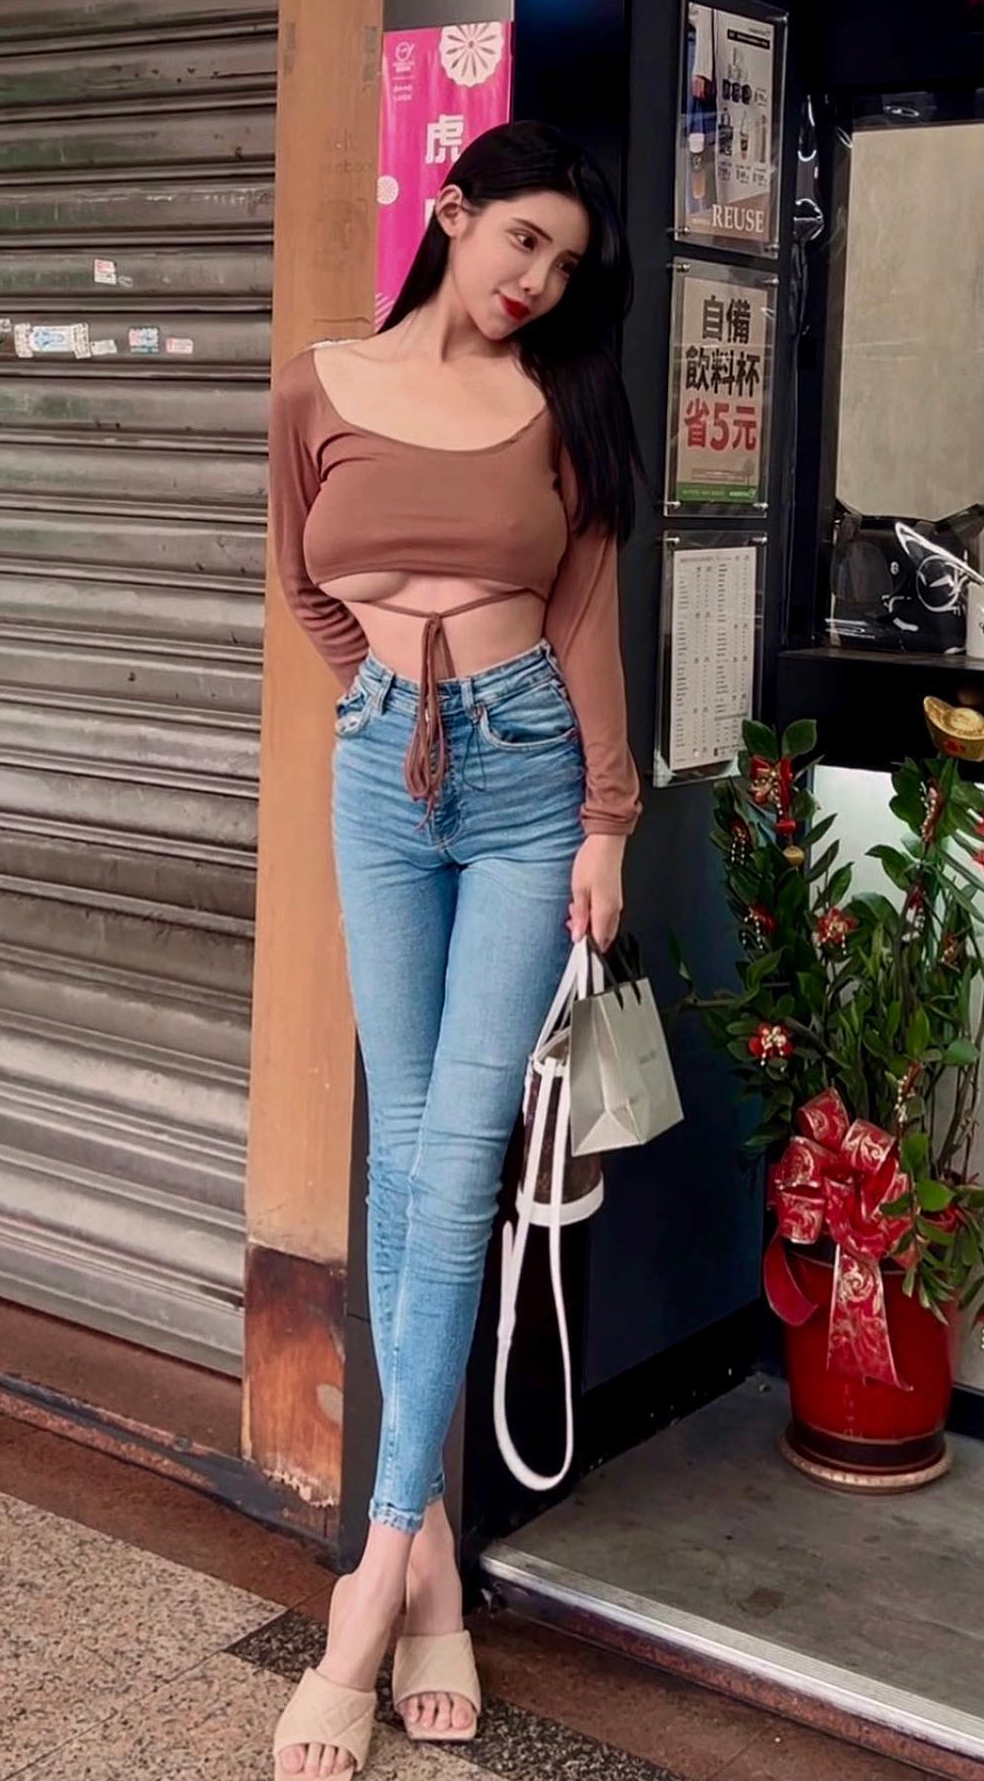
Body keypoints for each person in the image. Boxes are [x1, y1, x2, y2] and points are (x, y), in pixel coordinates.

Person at [266, 120, 643, 1777]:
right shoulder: (318, 385)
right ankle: (430, 1576)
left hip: (526, 776)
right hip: (379, 772)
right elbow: (306, 583)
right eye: (521, 241)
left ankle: (368, 1588)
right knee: (403, 1154)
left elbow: (586, 611)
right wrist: (380, 695)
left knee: (457, 1154)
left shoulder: (563, 403)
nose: (536, 281)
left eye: (564, 263)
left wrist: (608, 821)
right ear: (453, 211)